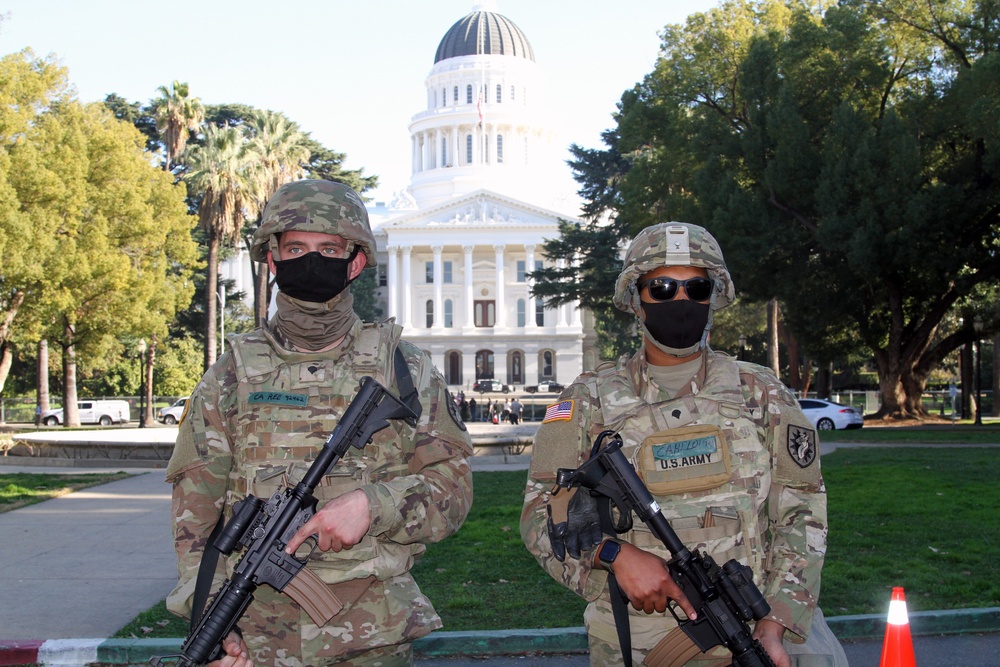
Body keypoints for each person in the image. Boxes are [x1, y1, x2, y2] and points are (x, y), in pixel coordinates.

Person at [164, 179, 474, 667]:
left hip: (372, 635)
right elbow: (194, 517)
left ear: (355, 262)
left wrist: (373, 505)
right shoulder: (230, 374)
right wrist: (212, 627)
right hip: (253, 636)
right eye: (296, 248)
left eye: (328, 249)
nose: (311, 261)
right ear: (273, 260)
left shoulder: (404, 369)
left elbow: (453, 489)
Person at [520, 222, 846, 667]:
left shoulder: (761, 393)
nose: (681, 301)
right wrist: (612, 554)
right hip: (638, 643)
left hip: (762, 630)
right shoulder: (587, 400)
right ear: (636, 300)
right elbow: (541, 517)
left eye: (697, 287)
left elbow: (803, 513)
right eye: (662, 287)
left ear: (714, 297)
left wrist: (777, 622)